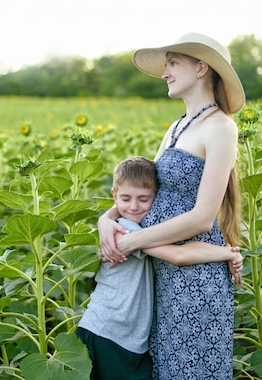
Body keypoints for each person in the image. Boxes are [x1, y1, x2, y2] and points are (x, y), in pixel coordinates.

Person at [98, 33, 246, 379]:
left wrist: (134, 241)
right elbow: (142, 192)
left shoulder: (221, 127)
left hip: (197, 277)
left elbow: (201, 217)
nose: (165, 72)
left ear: (201, 68)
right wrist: (107, 220)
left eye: (173, 63)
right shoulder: (176, 127)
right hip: (165, 274)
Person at [78, 156, 242, 380]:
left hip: (122, 336)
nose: (134, 206)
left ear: (157, 198)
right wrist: (227, 253)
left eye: (144, 199)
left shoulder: (137, 226)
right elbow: (179, 255)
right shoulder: (125, 229)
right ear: (114, 196)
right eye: (126, 198)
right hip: (111, 332)